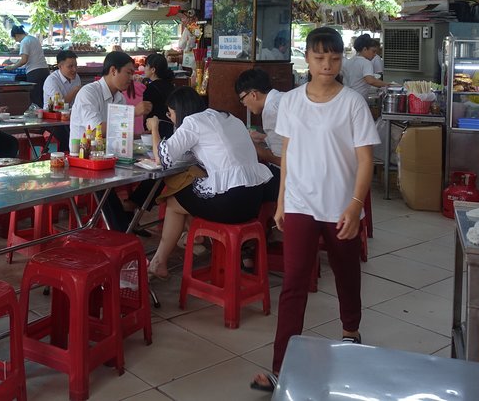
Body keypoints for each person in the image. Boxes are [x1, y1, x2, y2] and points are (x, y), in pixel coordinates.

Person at [251, 26, 380, 393]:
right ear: (306, 58)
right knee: (293, 284)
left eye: (334, 58)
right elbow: (288, 152)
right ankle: (281, 366)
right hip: (300, 205)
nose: (328, 65)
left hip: (341, 206)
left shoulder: (352, 103)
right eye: (320, 57)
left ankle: (351, 334)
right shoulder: (291, 102)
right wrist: (281, 202)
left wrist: (355, 207)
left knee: (346, 274)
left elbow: (365, 159)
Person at [145, 87, 272, 280]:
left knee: (173, 199)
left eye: (170, 114)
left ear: (178, 110)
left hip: (231, 202)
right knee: (186, 191)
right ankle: (189, 239)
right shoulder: (227, 117)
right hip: (254, 199)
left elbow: (163, 159)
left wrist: (154, 128)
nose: (170, 118)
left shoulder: (193, 122)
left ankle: (162, 259)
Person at [69, 51, 152, 230]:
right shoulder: (89, 92)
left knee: (156, 169)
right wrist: (133, 113)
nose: (131, 78)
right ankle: (122, 230)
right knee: (102, 183)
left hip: (110, 153)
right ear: (113, 70)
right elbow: (97, 129)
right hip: (85, 157)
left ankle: (131, 207)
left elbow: (119, 131)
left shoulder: (119, 97)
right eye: (128, 73)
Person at [3, 26, 49, 107]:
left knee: (36, 99)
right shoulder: (33, 39)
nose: (16, 41)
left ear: (16, 35)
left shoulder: (24, 41)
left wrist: (12, 67)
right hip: (44, 71)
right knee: (43, 98)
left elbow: (24, 60)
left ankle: (38, 117)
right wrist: (16, 63)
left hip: (35, 72)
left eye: (15, 38)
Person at [141, 53, 176, 139]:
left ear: (153, 69)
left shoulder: (150, 88)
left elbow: (145, 111)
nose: (144, 68)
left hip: (155, 128)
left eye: (146, 65)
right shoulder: (171, 85)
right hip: (171, 127)